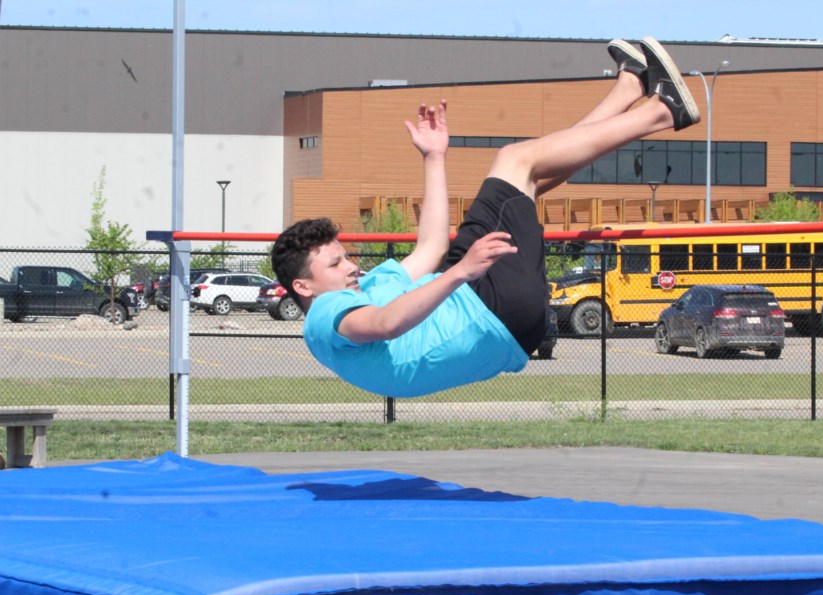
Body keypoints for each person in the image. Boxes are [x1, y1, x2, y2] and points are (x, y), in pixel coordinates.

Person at [271, 36, 700, 397]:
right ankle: (663, 111)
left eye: (345, 256)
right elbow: (383, 325)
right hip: (489, 312)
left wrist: (434, 158)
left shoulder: (369, 286)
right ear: (303, 285)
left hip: (486, 312)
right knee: (514, 160)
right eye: (335, 263)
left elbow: (431, 247)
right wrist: (460, 273)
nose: (351, 265)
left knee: (528, 182)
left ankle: (627, 91)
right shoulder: (326, 314)